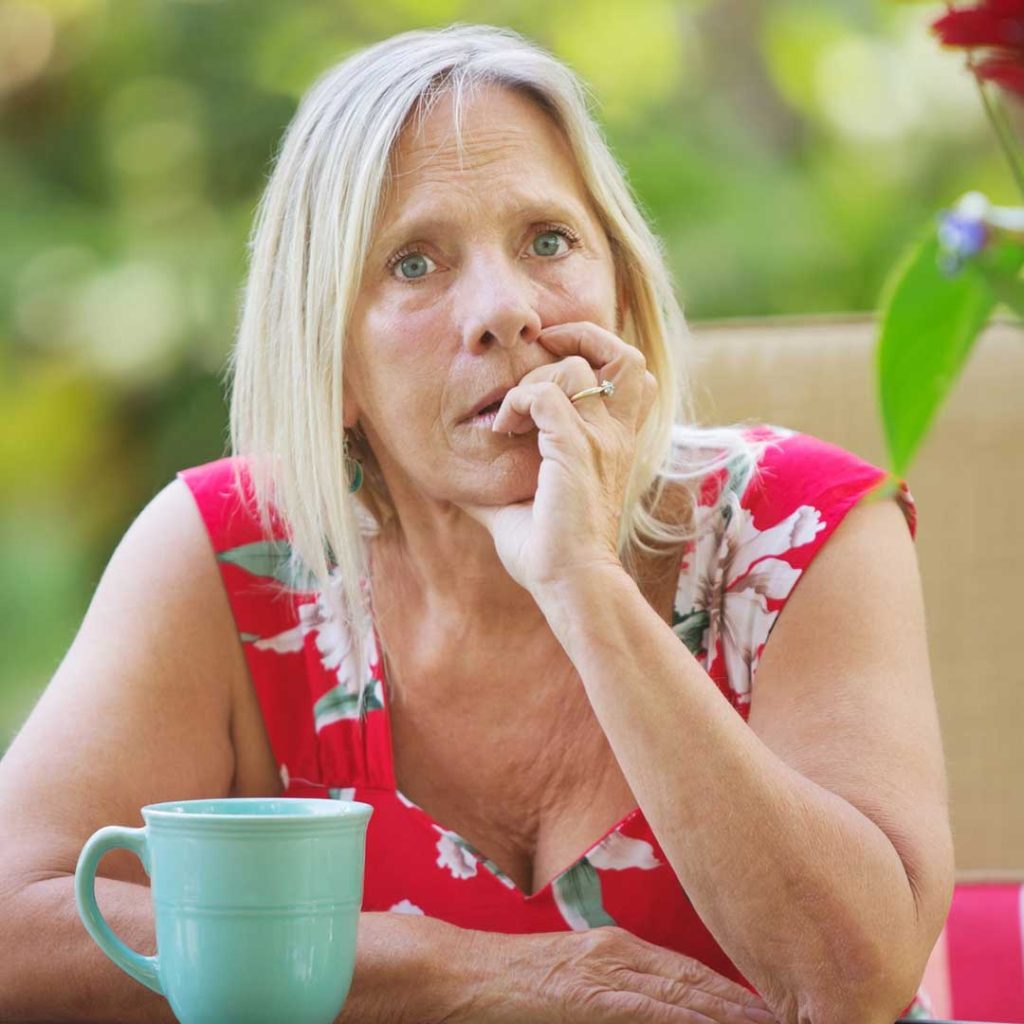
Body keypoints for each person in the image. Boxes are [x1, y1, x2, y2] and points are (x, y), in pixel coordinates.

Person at [0, 22, 952, 1024]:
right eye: (414, 263)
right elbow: (15, 928)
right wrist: (456, 973)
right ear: (332, 367)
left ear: (619, 294)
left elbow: (853, 984)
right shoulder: (232, 551)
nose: (504, 309)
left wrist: (581, 584)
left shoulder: (803, 528)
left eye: (548, 241)